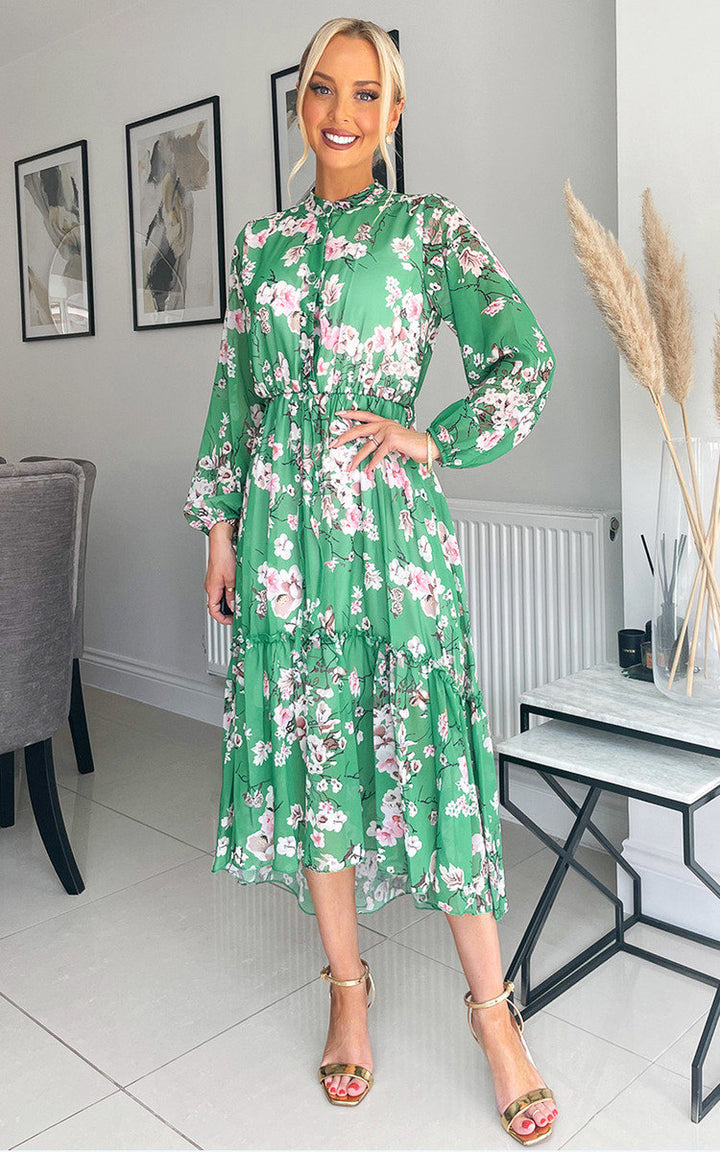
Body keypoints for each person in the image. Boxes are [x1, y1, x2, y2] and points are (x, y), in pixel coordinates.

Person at [183, 16, 558, 1145]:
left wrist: (433, 435)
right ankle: (348, 991)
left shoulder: (428, 229)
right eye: (318, 92)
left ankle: (496, 1022)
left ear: (394, 113)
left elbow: (523, 356)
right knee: (316, 748)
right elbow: (236, 397)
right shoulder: (258, 249)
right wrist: (220, 529)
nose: (339, 114)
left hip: (391, 536)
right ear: (299, 109)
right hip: (284, 542)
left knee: (434, 756)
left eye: (363, 94)